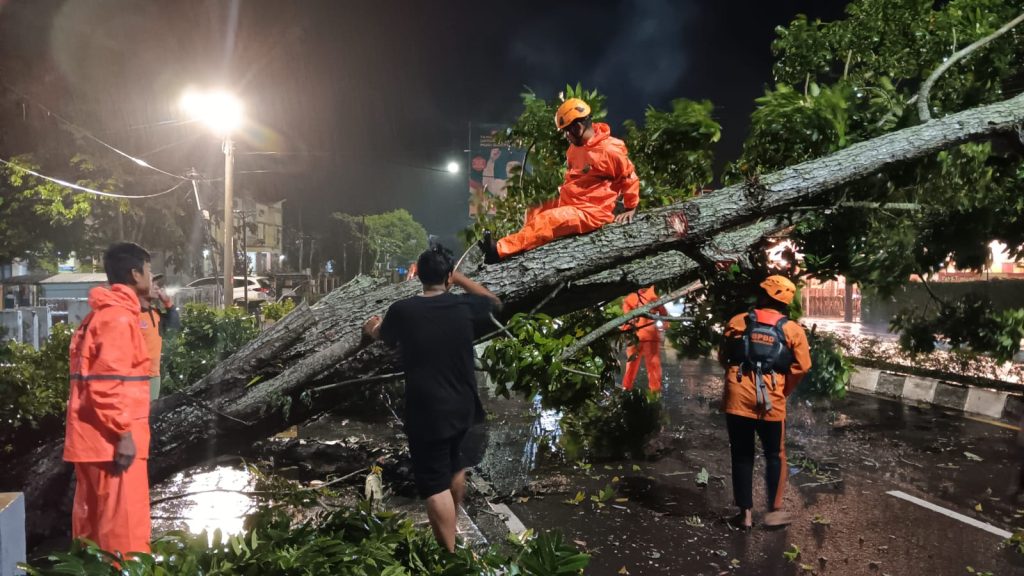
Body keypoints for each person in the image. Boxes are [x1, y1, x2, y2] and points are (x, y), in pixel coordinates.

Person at [363, 244, 501, 552]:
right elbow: (493, 301)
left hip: (428, 412)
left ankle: (449, 556)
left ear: (418, 276)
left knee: (435, 485)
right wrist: (459, 277)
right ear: (448, 277)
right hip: (465, 407)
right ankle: (454, 533)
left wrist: (372, 327)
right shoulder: (464, 306)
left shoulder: (403, 310)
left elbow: (382, 334)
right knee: (455, 468)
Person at [63, 242, 154, 555]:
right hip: (112, 445)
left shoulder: (100, 316)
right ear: (135, 274)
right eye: (149, 270)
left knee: (94, 535)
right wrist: (124, 434)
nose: (152, 277)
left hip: (94, 442)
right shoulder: (118, 319)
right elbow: (105, 385)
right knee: (123, 538)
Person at [478, 98, 640, 263]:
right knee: (534, 210)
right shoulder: (575, 148)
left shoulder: (610, 151)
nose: (565, 136)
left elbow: (628, 177)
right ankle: (523, 245)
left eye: (566, 131)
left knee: (547, 220)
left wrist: (630, 207)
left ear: (578, 127)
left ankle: (498, 251)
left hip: (591, 212)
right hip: (572, 202)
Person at [719, 275, 811, 529]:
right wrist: (783, 390)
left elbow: (724, 356)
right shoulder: (793, 330)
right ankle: (773, 511)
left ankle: (745, 515)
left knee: (741, 454)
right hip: (772, 399)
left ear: (763, 295)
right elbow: (803, 367)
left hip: (738, 396)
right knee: (775, 454)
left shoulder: (738, 321)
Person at [139, 273, 180, 400]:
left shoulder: (155, 313)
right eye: (152, 283)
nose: (157, 287)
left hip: (154, 376)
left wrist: (168, 303)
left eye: (156, 284)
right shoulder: (131, 313)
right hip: (136, 377)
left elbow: (174, 327)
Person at [621, 286, 667, 393]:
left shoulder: (632, 297)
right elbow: (664, 314)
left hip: (638, 337)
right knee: (652, 365)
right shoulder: (653, 295)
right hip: (646, 337)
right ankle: (655, 391)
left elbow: (626, 316)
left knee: (634, 364)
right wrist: (663, 327)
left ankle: (626, 388)